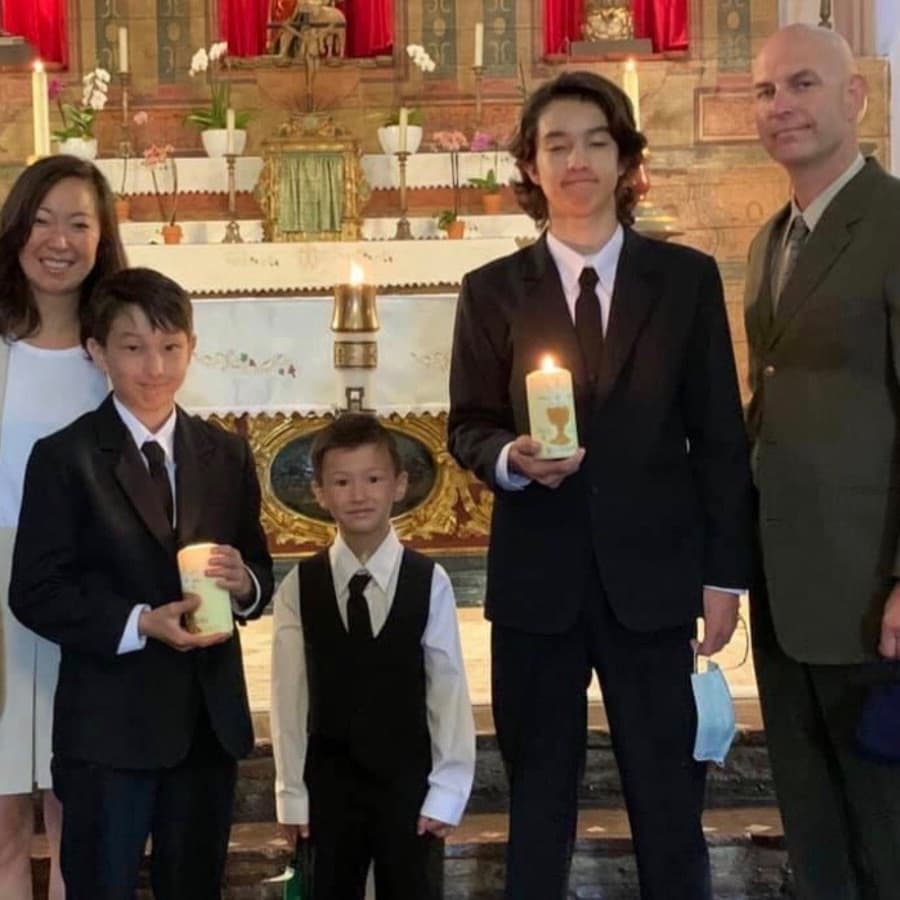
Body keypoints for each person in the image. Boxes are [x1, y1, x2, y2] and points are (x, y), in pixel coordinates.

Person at [448, 71, 753, 900]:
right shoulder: (491, 292)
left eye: (594, 141)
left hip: (653, 583)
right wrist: (511, 457)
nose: (576, 159)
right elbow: (466, 424)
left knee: (666, 799)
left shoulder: (684, 280)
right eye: (556, 144)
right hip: (537, 586)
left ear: (624, 159)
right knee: (538, 802)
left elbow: (720, 436)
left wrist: (724, 576)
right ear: (531, 165)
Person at [8, 266, 274, 900]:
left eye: (170, 346)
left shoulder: (226, 453)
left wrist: (245, 587)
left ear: (192, 346)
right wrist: (137, 623)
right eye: (132, 347)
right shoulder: (65, 456)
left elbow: (259, 571)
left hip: (205, 725)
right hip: (109, 727)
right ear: (97, 351)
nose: (155, 366)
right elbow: (36, 590)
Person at [746, 24, 900, 897]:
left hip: (869, 581)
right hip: (784, 584)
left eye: (801, 84)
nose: (781, 107)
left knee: (884, 820)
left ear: (855, 98)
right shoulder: (771, 240)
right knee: (814, 821)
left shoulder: (893, 220)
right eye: (766, 92)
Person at [271, 412, 476, 900]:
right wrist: (292, 796)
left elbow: (447, 689)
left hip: (408, 783)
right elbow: (288, 700)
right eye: (341, 481)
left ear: (399, 485)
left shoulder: (431, 582)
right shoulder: (300, 586)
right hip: (329, 785)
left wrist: (448, 788)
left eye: (373, 478)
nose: (358, 494)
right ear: (320, 492)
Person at [0, 154, 127, 900]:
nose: (59, 239)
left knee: (82, 811)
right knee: (5, 819)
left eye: (78, 222)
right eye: (42, 220)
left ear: (102, 235)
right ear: (15, 230)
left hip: (92, 586)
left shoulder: (119, 347)